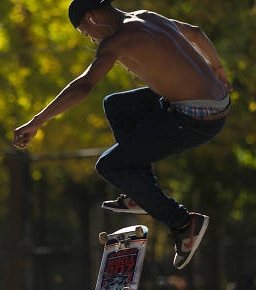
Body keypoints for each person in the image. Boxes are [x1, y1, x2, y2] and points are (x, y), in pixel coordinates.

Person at [14, 0, 232, 269]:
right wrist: (217, 68)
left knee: (109, 165)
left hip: (196, 117)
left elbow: (83, 86)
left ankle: (184, 223)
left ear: (92, 17)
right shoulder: (147, 16)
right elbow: (196, 32)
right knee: (116, 105)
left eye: (86, 32)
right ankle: (140, 191)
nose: (92, 39)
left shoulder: (117, 41)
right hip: (216, 100)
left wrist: (37, 121)